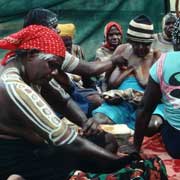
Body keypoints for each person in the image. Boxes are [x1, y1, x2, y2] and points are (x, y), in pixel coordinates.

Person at [0, 24, 140, 179]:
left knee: (106, 141)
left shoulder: (27, 71)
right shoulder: (13, 86)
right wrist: (120, 162)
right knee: (109, 163)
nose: (53, 72)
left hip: (35, 147)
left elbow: (62, 101)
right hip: (17, 157)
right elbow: (69, 142)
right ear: (32, 54)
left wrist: (85, 122)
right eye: (51, 65)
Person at [92, 15, 164, 136]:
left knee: (151, 125)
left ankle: (130, 132)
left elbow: (162, 92)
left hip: (148, 105)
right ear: (129, 40)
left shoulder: (157, 57)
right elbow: (106, 81)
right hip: (120, 104)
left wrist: (140, 98)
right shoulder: (122, 50)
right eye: (136, 43)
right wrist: (104, 96)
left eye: (145, 44)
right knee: (99, 120)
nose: (140, 48)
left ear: (151, 42)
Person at [134, 17, 180, 159]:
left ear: (174, 39)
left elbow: (144, 109)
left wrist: (135, 146)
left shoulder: (164, 62)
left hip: (177, 144)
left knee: (165, 123)